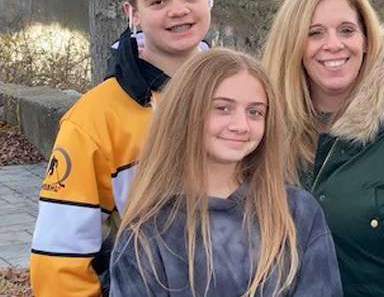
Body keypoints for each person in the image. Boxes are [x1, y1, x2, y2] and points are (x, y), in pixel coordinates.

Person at [30, 0, 215, 296]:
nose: (178, 10)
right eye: (158, 1)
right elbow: (59, 261)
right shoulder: (94, 118)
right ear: (133, 13)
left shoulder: (245, 93)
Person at [109, 48, 342, 296]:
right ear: (186, 112)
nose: (241, 126)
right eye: (222, 108)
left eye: (255, 112)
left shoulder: (297, 213)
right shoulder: (147, 234)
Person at [261, 0, 384, 296]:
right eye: (314, 33)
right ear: (292, 44)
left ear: (367, 39)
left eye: (347, 30)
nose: (333, 45)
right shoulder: (265, 126)